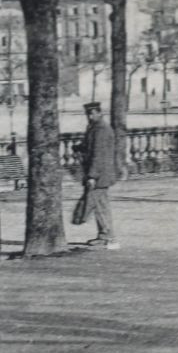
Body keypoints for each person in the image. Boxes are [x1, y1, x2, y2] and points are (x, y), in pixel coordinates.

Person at [78, 102, 120, 249]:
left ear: (99, 113)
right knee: (99, 205)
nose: (89, 116)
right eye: (88, 114)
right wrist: (79, 147)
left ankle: (111, 238)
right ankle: (103, 236)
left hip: (100, 175)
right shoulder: (94, 128)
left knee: (100, 206)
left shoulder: (101, 130)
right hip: (101, 174)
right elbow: (91, 148)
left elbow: (99, 155)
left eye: (92, 113)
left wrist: (92, 176)